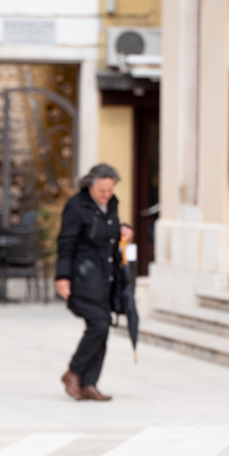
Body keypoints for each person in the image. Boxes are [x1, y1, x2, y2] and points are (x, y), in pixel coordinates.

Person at [55, 163, 134, 401]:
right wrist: (62, 277)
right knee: (99, 324)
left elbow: (109, 231)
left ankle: (89, 383)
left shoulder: (112, 203)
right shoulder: (76, 206)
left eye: (110, 190)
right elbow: (66, 243)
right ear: (90, 185)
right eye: (102, 190)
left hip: (105, 277)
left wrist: (125, 229)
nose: (106, 195)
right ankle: (74, 372)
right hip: (82, 277)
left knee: (102, 328)